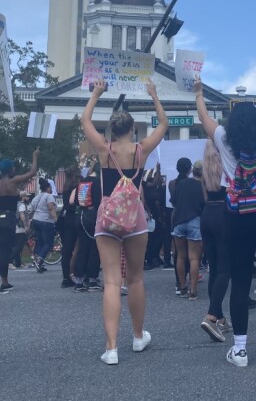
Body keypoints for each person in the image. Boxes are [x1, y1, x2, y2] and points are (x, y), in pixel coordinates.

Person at [194, 77, 256, 368]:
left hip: (235, 214)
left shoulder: (224, 140)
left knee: (239, 280)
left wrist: (199, 94)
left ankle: (240, 349)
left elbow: (204, 118)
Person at [81, 78, 168, 365]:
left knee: (110, 281)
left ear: (111, 129)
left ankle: (111, 348)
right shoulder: (141, 150)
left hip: (107, 218)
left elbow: (84, 120)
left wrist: (96, 94)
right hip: (135, 218)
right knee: (136, 278)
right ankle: (138, 335)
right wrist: (154, 95)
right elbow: (164, 125)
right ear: (132, 129)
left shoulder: (104, 150)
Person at [0, 149, 39, 293]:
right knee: (4, 252)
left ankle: (4, 282)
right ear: (10, 169)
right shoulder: (13, 181)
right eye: (13, 167)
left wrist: (2, 205)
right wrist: (34, 156)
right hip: (8, 219)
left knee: (4, 248)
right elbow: (32, 172)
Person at [198, 143, 234, 341]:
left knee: (214, 268)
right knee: (225, 269)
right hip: (223, 212)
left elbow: (204, 196)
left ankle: (219, 317)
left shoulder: (205, 169)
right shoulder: (228, 167)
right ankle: (212, 315)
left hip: (207, 214)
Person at [170, 157, 204, 300]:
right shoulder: (202, 186)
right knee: (194, 258)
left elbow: (174, 202)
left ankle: (182, 287)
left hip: (179, 222)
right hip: (194, 221)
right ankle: (193, 290)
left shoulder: (181, 183)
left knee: (180, 256)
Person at [71, 172, 103, 292]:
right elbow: (99, 201)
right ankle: (92, 279)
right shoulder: (97, 183)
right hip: (93, 216)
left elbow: (75, 201)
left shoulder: (81, 183)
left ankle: (79, 280)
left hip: (81, 216)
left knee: (82, 249)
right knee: (95, 248)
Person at [30, 178, 58, 273]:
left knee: (40, 242)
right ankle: (39, 260)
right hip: (45, 221)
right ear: (48, 188)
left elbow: (31, 208)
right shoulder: (49, 196)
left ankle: (38, 261)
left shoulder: (37, 197)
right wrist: (56, 220)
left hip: (36, 220)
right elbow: (51, 208)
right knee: (48, 243)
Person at [57, 171, 80, 287]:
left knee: (66, 250)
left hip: (64, 220)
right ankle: (76, 273)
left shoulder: (65, 188)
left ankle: (66, 277)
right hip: (74, 218)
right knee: (78, 248)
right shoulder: (77, 188)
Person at [11, 192, 30, 269]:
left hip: (15, 227)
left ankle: (18, 263)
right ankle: (10, 261)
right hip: (20, 228)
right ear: (23, 197)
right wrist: (25, 226)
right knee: (18, 246)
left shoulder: (17, 204)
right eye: (27, 196)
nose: (29, 198)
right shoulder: (22, 205)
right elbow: (22, 215)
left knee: (18, 246)